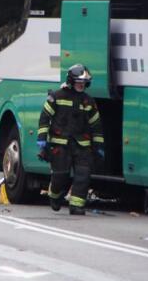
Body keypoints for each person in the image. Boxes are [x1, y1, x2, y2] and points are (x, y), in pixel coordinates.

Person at [37, 64, 104, 215]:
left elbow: (96, 125)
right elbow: (44, 118)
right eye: (79, 81)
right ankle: (54, 195)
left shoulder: (89, 102)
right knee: (60, 175)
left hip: (82, 145)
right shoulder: (57, 96)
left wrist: (99, 146)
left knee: (83, 175)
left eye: (84, 82)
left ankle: (76, 205)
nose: (81, 84)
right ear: (71, 81)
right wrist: (42, 139)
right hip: (60, 144)